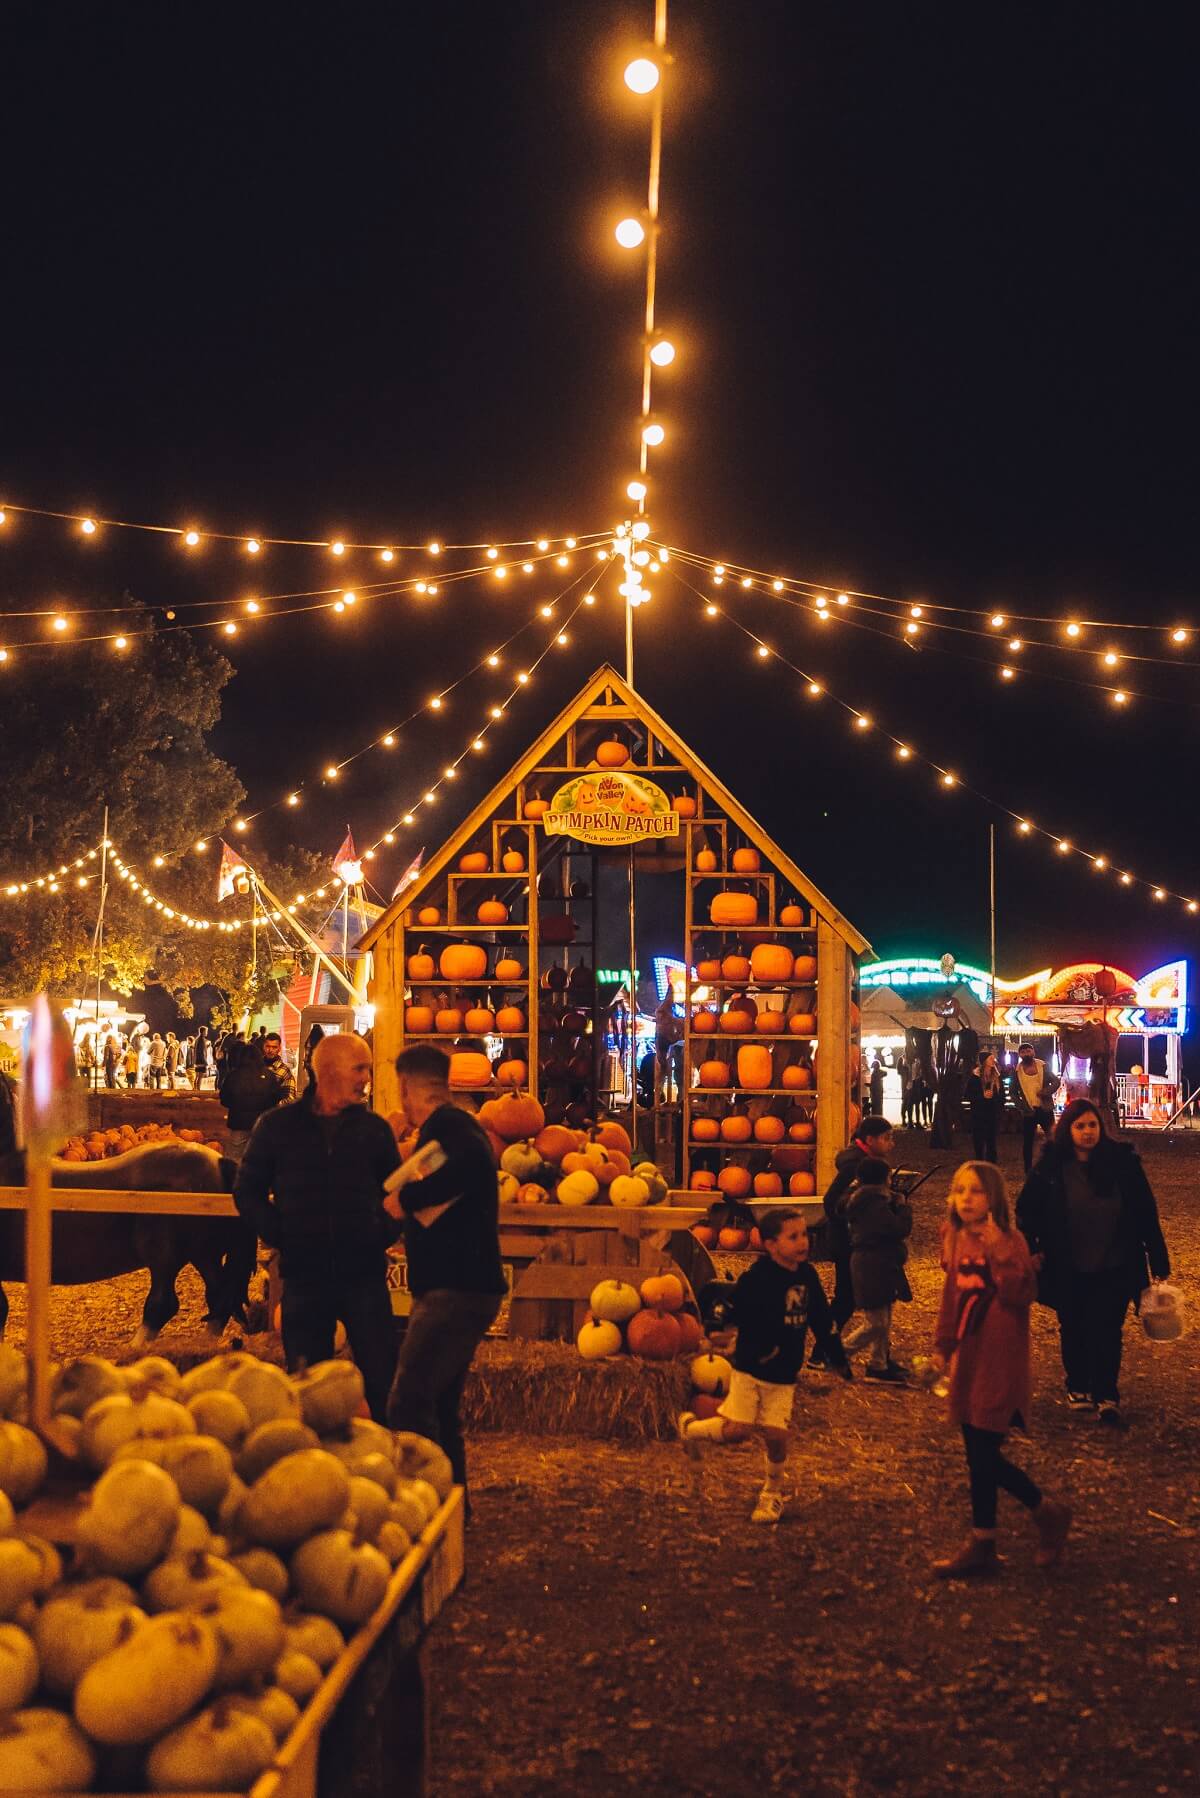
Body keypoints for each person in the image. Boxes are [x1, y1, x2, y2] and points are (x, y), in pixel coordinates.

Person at [234, 1033, 401, 1421]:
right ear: (327, 1069)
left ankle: (384, 1462)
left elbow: (397, 1192)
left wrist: (380, 1233)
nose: (366, 1077)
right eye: (359, 1068)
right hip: (304, 1277)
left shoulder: (373, 1131)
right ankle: (315, 1465)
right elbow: (247, 1190)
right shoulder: (277, 1127)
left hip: (364, 1275)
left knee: (381, 1378)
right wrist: (280, 1233)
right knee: (308, 1383)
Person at [930, 1160, 1072, 1579]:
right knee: (977, 1451)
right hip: (969, 1358)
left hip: (999, 1358)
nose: (966, 1198)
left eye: (975, 1191)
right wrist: (943, 1347)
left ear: (994, 1198)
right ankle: (985, 1541)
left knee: (984, 1452)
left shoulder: (1010, 1241)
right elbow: (951, 1298)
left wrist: (999, 1251)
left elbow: (1019, 1294)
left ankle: (1043, 1512)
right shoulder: (955, 1239)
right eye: (959, 1190)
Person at [384, 1045, 505, 1507]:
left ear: (406, 1086)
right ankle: (453, 1505)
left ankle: (422, 1502)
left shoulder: (449, 1126)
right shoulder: (448, 1130)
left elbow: (472, 1169)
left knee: (409, 1400)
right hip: (457, 1285)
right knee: (439, 1405)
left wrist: (408, 1200)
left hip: (455, 1287)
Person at [678, 1210, 850, 1524]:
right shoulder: (757, 1277)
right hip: (749, 1366)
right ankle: (692, 1429)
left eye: (804, 1235)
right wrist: (716, 1325)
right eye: (793, 1237)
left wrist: (837, 1357)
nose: (803, 1242)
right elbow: (729, 1304)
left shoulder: (807, 1277)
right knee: (737, 1432)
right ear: (770, 1244)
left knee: (776, 1434)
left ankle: (772, 1493)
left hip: (784, 1372)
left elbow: (822, 1319)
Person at [1016, 1099, 1170, 1427]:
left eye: (1092, 1125)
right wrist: (1031, 1248)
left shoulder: (1122, 1164)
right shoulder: (1050, 1168)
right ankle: (1078, 1386)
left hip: (1115, 1263)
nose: (1087, 1132)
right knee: (1073, 1325)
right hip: (1067, 1263)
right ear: (1067, 1130)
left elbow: (1145, 1210)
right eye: (1080, 1126)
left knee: (1108, 1329)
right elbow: (1026, 1212)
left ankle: (1106, 1393)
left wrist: (1158, 1258)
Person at [814, 1112, 895, 1357]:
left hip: (856, 1240)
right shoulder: (856, 1167)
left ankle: (880, 1360)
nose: (891, 1143)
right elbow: (832, 1201)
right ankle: (821, 1353)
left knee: (872, 1300)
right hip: (847, 1241)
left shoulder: (865, 1162)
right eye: (887, 1138)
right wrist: (853, 1220)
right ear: (870, 1140)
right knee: (845, 1300)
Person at [839, 1156, 913, 1382]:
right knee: (876, 1322)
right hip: (873, 1265)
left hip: (878, 1263)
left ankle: (878, 1364)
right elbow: (897, 1228)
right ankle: (840, 1352)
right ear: (884, 1180)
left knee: (885, 1316)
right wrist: (903, 1209)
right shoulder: (874, 1204)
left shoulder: (861, 1200)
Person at [221, 1033, 294, 1162]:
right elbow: (276, 1097)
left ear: (279, 1048)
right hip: (263, 1124)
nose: (270, 1050)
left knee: (234, 1161)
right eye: (267, 1046)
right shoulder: (268, 1075)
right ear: (262, 1047)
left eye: (274, 1047)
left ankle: (234, 1181)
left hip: (241, 1123)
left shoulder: (234, 1075)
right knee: (259, 1161)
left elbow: (225, 1098)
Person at [1011, 1043, 1059, 1172]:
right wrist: (1021, 1106)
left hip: (1045, 1108)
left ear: (1033, 1052)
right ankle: (1028, 1169)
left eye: (1029, 1050)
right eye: (1023, 1051)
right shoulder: (1016, 1071)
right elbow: (1013, 1092)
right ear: (1020, 1055)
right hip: (1029, 1111)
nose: (1026, 1053)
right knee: (1028, 1142)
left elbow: (1056, 1081)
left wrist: (1046, 1091)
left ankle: (1054, 1165)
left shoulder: (1043, 1066)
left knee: (1052, 1138)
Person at [966, 1051, 1004, 1163]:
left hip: (992, 1111)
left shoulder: (996, 1076)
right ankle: (979, 1159)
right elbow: (969, 1094)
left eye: (994, 1058)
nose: (994, 1060)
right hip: (979, 1112)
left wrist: (996, 1099)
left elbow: (1001, 1094)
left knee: (991, 1137)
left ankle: (991, 1160)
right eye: (991, 1058)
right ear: (984, 1061)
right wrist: (981, 1096)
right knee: (978, 1137)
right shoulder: (975, 1077)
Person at [191, 1026, 211, 1090]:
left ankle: (195, 1088)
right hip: (201, 1060)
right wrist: (205, 1061)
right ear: (203, 1032)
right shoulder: (201, 1039)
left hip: (197, 1060)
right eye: (206, 1031)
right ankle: (198, 1089)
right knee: (200, 1076)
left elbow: (199, 1049)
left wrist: (206, 1046)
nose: (207, 1033)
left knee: (197, 1076)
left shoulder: (198, 1039)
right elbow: (201, 1051)